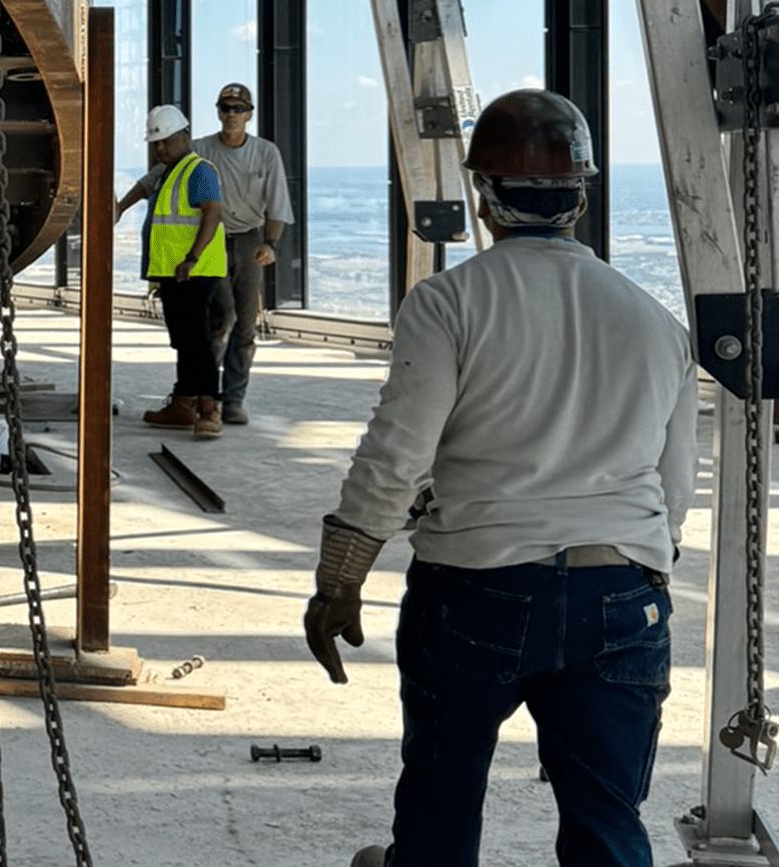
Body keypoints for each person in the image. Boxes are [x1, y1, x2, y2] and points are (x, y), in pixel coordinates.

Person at [304, 89, 697, 867]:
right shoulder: (657, 323)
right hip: (621, 594)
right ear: (581, 197)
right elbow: (673, 490)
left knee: (441, 802)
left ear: (483, 199)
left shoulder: (448, 303)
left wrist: (339, 580)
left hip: (477, 589)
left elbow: (396, 457)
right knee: (609, 819)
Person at [114, 105, 227, 439]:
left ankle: (209, 408)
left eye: (165, 141)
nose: (160, 148)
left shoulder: (198, 171)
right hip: (173, 271)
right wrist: (119, 208)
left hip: (194, 270)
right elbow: (143, 186)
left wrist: (192, 257)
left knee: (196, 340)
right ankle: (183, 403)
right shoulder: (167, 172)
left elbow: (213, 213)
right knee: (184, 340)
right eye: (155, 142)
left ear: (185, 138)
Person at [191, 82, 294, 425]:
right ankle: (207, 397)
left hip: (250, 240)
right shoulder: (199, 150)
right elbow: (164, 181)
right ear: (218, 112)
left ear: (249, 115)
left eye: (239, 109)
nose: (232, 115)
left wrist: (270, 244)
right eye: (226, 108)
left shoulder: (265, 153)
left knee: (246, 324)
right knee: (221, 318)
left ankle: (233, 399)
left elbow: (278, 204)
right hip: (211, 238)